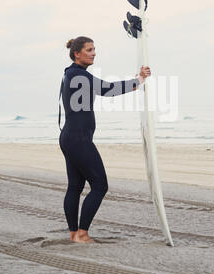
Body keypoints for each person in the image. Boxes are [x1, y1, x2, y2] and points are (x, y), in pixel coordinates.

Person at [59, 36, 151, 243]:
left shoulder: (71, 74)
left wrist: (136, 80)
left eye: (94, 49)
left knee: (75, 186)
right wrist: (139, 80)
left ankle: (74, 234)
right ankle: (82, 233)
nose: (93, 53)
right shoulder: (78, 75)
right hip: (78, 139)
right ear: (77, 53)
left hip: (70, 137)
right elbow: (108, 89)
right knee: (100, 186)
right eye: (89, 50)